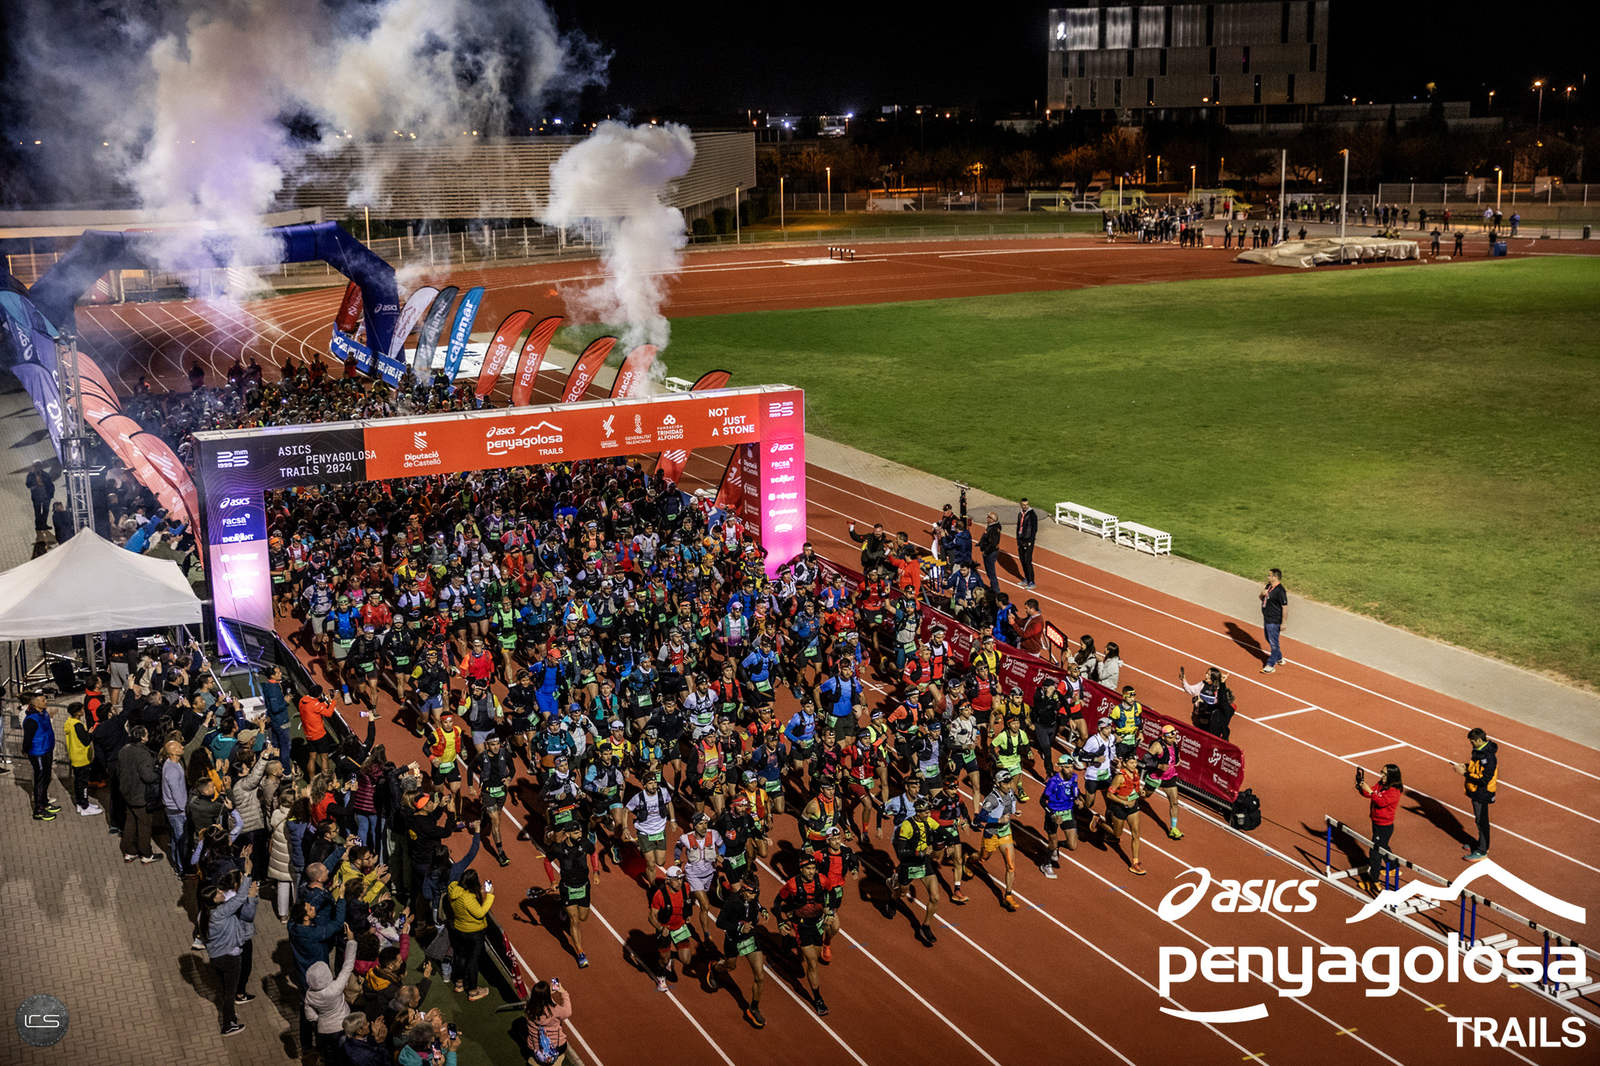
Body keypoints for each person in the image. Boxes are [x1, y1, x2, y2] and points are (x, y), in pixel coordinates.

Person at [773, 853, 832, 1015]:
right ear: (801, 869)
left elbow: (831, 893)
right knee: (812, 963)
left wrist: (830, 911)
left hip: (818, 924)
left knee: (816, 955)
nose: (811, 871)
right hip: (801, 926)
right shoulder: (792, 884)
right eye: (808, 868)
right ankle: (818, 999)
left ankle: (787, 943)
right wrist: (781, 922)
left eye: (813, 868)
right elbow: (777, 902)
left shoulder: (822, 880)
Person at [203, 870, 260, 1037]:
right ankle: (228, 1024)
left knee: (226, 987)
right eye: (217, 894)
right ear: (212, 900)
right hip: (229, 958)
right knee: (230, 993)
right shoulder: (220, 913)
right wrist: (247, 875)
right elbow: (240, 898)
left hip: (216, 957)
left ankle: (231, 1014)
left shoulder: (205, 915)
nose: (221, 892)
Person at [708, 875, 768, 1028]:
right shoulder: (732, 902)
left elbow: (756, 902)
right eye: (752, 893)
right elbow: (720, 922)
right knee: (730, 966)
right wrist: (739, 927)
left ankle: (753, 1008)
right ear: (743, 890)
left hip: (750, 938)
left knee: (760, 976)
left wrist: (762, 909)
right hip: (733, 940)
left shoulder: (753, 896)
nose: (754, 896)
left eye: (756, 893)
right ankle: (714, 968)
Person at [892, 796, 942, 946]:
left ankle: (926, 925)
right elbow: (901, 852)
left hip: (924, 863)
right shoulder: (907, 825)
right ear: (918, 813)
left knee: (935, 897)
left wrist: (946, 843)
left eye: (929, 811)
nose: (928, 814)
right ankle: (892, 899)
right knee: (902, 893)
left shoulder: (929, 821)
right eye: (926, 812)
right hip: (910, 864)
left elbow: (941, 832)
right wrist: (919, 853)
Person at [543, 824, 594, 968]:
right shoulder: (558, 848)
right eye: (577, 833)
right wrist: (553, 881)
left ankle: (562, 907)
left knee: (583, 917)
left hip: (584, 886)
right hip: (567, 888)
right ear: (568, 834)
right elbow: (547, 861)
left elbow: (593, 852)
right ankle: (580, 953)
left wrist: (596, 870)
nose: (580, 835)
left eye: (580, 832)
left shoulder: (584, 843)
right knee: (574, 920)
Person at [643, 864, 699, 992]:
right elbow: (651, 916)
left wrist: (688, 915)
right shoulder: (660, 895)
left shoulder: (686, 888)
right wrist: (660, 928)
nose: (680, 882)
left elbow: (688, 902)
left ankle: (670, 957)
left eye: (681, 878)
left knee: (686, 960)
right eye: (677, 879)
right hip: (665, 928)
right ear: (668, 880)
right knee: (664, 959)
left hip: (680, 927)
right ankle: (661, 976)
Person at [304, 930, 359, 1057]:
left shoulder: (310, 994)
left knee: (329, 1057)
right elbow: (348, 965)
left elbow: (310, 1015)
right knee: (344, 1055)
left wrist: (321, 1019)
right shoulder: (336, 987)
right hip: (344, 1026)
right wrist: (351, 941)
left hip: (324, 1031)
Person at [971, 770, 1022, 910]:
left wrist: (1014, 812)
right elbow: (979, 818)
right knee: (983, 858)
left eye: (1009, 782)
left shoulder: (1010, 793)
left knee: (1011, 865)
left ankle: (1008, 895)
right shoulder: (991, 799)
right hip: (992, 834)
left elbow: (1008, 808)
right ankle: (970, 860)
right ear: (998, 783)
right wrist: (998, 820)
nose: (1009, 785)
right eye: (1005, 783)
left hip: (1005, 833)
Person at [445, 868, 495, 1000]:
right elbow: (480, 913)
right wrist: (490, 896)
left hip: (459, 929)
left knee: (461, 956)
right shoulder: (467, 898)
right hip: (473, 933)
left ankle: (459, 983)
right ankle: (473, 990)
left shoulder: (454, 889)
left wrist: (479, 892)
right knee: (473, 961)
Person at [1451, 728, 1498, 861]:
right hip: (1476, 791)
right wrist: (1466, 766)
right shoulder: (1479, 751)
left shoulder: (1488, 757)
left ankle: (1482, 851)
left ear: (1479, 740)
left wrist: (1464, 774)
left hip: (1483, 793)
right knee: (1479, 820)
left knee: (1482, 821)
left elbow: (1484, 780)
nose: (1471, 744)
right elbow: (1477, 768)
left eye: (1472, 742)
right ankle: (1481, 844)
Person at [1355, 763, 1403, 889]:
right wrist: (1361, 787)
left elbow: (1381, 802)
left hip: (1384, 826)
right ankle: (1393, 867)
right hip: (1376, 822)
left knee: (1375, 852)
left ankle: (1374, 881)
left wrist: (1370, 791)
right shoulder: (1381, 784)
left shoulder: (1394, 791)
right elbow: (1370, 794)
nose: (1381, 775)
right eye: (1381, 772)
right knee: (1383, 846)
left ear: (1392, 776)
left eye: (1384, 773)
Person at [118, 724, 161, 862]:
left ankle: (129, 851)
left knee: (130, 822)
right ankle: (146, 854)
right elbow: (147, 776)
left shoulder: (124, 750)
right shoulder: (143, 754)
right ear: (142, 738)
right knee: (144, 825)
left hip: (127, 793)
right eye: (146, 734)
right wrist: (158, 775)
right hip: (140, 795)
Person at [1038, 753, 1081, 877]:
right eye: (1067, 767)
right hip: (1054, 814)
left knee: (1072, 845)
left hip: (1067, 812)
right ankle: (1046, 864)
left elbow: (1074, 792)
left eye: (1071, 767)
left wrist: (1078, 800)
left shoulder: (1074, 777)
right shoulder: (1053, 782)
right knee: (1052, 842)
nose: (1070, 770)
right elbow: (1042, 801)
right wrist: (1052, 814)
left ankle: (1057, 847)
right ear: (1061, 767)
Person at [1104, 755, 1148, 875]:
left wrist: (1141, 792)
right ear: (1125, 764)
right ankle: (1099, 822)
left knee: (1136, 834)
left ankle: (1135, 863)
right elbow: (1109, 795)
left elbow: (1136, 787)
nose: (1134, 765)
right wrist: (1124, 802)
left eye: (1135, 762)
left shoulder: (1136, 773)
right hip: (1120, 808)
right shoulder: (1119, 777)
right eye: (1131, 763)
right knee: (1117, 834)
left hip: (1133, 807)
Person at [21, 692, 59, 821]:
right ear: (35, 703)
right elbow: (27, 739)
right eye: (43, 701)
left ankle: (44, 803)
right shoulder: (31, 720)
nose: (46, 702)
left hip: (47, 749)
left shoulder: (44, 713)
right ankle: (39, 810)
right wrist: (25, 750)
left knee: (46, 777)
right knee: (40, 780)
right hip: (38, 752)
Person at [524, 977, 573, 1065]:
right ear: (547, 996)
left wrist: (546, 995)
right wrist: (563, 992)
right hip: (556, 1047)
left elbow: (540, 1004)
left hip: (534, 1049)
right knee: (562, 1043)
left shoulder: (528, 1007)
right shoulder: (555, 1010)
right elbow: (568, 1012)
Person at [1179, 665, 1235, 741]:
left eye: (1208, 674)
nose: (1206, 675)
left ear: (1213, 677)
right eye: (1206, 673)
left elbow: (1220, 703)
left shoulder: (1218, 690)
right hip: (1199, 717)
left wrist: (1203, 703)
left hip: (1209, 721)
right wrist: (1183, 681)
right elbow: (1190, 690)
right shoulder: (1202, 684)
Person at [63, 702, 100, 817]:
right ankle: (85, 806)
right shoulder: (78, 725)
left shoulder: (69, 722)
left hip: (75, 756)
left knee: (78, 782)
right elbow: (86, 741)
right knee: (83, 784)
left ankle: (80, 803)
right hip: (82, 758)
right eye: (82, 709)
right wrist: (90, 733)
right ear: (78, 712)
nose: (84, 711)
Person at [1259, 568, 1288, 672]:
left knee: (1273, 643)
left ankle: (1270, 665)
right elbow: (1261, 598)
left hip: (1274, 620)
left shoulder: (1280, 591)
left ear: (1275, 577)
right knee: (1269, 639)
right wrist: (1262, 594)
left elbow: (1285, 607)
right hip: (1267, 618)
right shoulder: (1268, 586)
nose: (1268, 577)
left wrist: (1284, 622)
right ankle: (1279, 658)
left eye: (1269, 575)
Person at [978, 511, 1003, 599]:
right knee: (989, 572)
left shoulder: (994, 529)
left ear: (992, 519)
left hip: (990, 553)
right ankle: (993, 588)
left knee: (991, 573)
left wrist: (986, 551)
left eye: (988, 517)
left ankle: (996, 592)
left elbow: (993, 543)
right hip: (989, 552)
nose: (987, 518)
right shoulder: (992, 526)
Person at [1015, 497, 1038, 588]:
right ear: (1021, 505)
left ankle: (1031, 581)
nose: (1025, 506)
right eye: (1023, 505)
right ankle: (1027, 578)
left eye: (1026, 505)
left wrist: (1030, 541)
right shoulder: (1020, 514)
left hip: (1028, 541)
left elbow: (1034, 529)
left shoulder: (1032, 515)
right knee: (1022, 560)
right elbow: (1018, 527)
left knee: (1028, 561)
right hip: (1021, 540)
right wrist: (1018, 539)